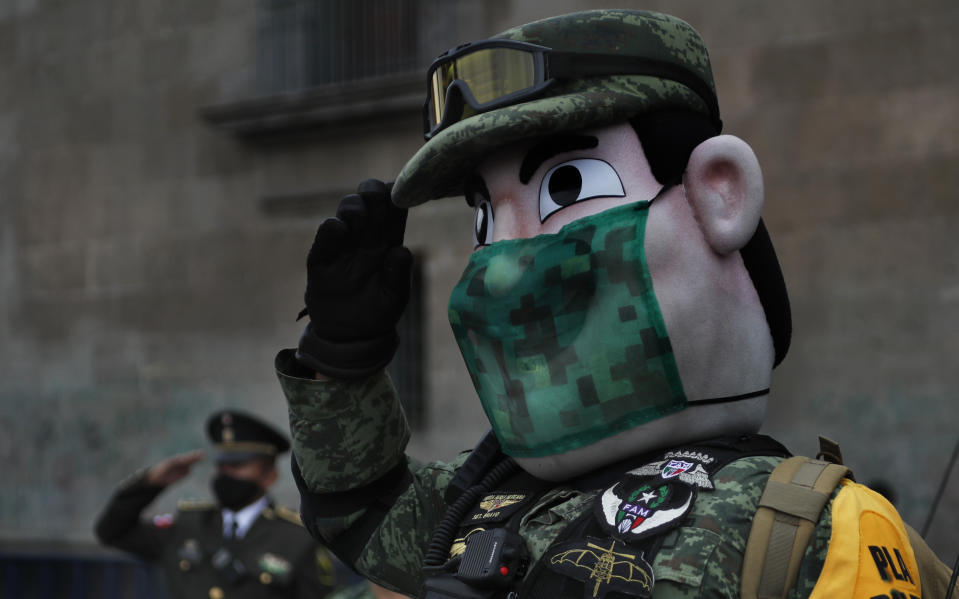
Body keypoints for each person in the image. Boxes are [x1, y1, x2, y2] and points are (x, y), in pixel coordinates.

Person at [275, 9, 953, 599]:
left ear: (719, 192)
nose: (502, 269)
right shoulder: (481, 499)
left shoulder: (808, 526)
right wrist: (342, 360)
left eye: (564, 187)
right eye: (482, 218)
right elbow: (359, 510)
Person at [95, 409, 338, 599]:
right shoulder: (187, 525)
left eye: (238, 466)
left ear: (269, 475)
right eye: (222, 465)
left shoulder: (297, 539)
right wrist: (148, 483)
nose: (226, 474)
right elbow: (112, 531)